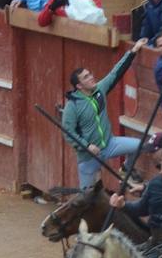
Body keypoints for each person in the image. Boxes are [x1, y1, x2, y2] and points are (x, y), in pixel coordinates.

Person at [61, 38, 147, 189]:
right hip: (88, 155)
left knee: (139, 145)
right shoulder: (72, 105)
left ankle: (126, 167)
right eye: (86, 77)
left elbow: (116, 73)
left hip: (109, 144)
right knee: (86, 197)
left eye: (89, 74)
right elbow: (68, 132)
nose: (91, 77)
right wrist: (87, 146)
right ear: (79, 86)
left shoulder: (99, 89)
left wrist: (133, 51)